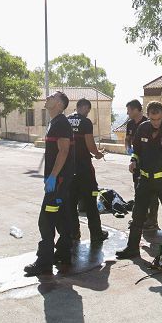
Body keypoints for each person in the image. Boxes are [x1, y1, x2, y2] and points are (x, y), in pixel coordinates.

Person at [116, 101, 162, 260]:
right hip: (145, 180)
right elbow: (137, 150)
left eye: (158, 119)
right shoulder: (143, 128)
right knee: (137, 214)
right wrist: (133, 160)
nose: (155, 123)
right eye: (153, 120)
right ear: (148, 116)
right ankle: (132, 248)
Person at [24, 91, 73, 277]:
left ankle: (44, 263)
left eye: (52, 97)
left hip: (58, 181)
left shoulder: (60, 123)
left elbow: (64, 151)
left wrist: (53, 176)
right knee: (62, 219)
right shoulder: (55, 122)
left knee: (46, 221)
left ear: (60, 104)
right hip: (58, 180)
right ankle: (63, 255)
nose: (47, 98)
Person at [67, 98, 108, 245]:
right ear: (84, 107)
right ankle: (96, 234)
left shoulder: (66, 121)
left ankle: (74, 232)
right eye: (88, 110)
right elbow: (90, 146)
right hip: (84, 168)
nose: (88, 113)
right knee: (91, 201)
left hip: (69, 169)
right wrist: (98, 153)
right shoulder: (85, 122)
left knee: (71, 203)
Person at [125, 99, 160, 230]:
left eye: (128, 110)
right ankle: (140, 218)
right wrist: (129, 149)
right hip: (136, 162)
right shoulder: (130, 124)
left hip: (149, 163)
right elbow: (127, 139)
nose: (127, 113)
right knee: (138, 190)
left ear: (135, 110)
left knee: (152, 193)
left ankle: (152, 221)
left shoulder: (148, 122)